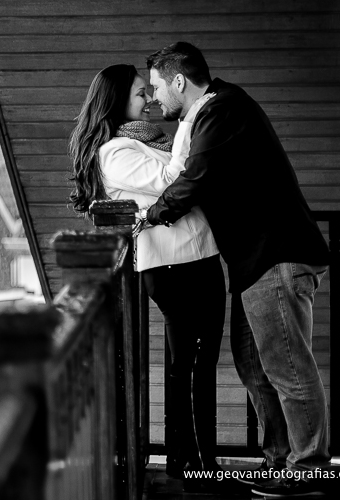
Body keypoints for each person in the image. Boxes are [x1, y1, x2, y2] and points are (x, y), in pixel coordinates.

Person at [144, 42, 331, 498]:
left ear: (179, 81)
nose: (153, 100)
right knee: (253, 367)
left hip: (276, 256)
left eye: (155, 88)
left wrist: (150, 215)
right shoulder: (216, 110)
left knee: (288, 369)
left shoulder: (222, 109)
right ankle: (280, 461)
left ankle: (309, 469)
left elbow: (196, 174)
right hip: (256, 263)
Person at [69, 63, 225, 482]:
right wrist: (192, 119)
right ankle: (187, 461)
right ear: (117, 100)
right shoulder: (115, 153)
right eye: (141, 93)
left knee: (201, 361)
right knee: (186, 362)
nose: (151, 101)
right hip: (172, 264)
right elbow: (175, 177)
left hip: (200, 256)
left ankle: (200, 459)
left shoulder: (149, 140)